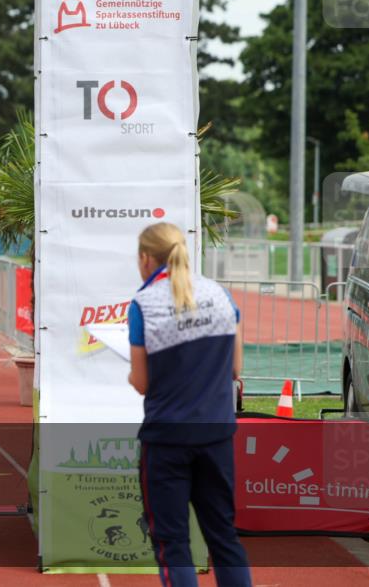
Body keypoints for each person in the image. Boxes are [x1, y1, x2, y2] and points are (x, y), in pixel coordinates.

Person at [127, 222, 251, 587]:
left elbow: (142, 383)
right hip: (216, 434)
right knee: (224, 537)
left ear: (147, 258)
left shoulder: (144, 305)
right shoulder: (220, 295)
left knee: (172, 544)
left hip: (167, 438)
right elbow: (236, 368)